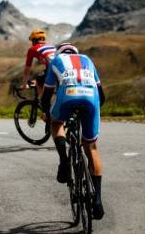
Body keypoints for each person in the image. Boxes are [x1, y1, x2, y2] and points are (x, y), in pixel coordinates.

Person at [40, 42, 106, 220]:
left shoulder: (55, 60)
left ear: (60, 52)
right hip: (91, 98)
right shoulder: (87, 60)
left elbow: (46, 96)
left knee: (56, 123)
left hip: (67, 95)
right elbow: (102, 96)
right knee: (91, 148)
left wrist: (46, 113)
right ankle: (98, 201)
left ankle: (64, 162)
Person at [23, 29, 56, 95]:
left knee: (39, 80)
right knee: (43, 77)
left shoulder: (32, 49)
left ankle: (42, 102)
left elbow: (27, 68)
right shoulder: (51, 46)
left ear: (34, 40)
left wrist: (24, 83)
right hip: (61, 67)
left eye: (32, 40)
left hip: (52, 68)